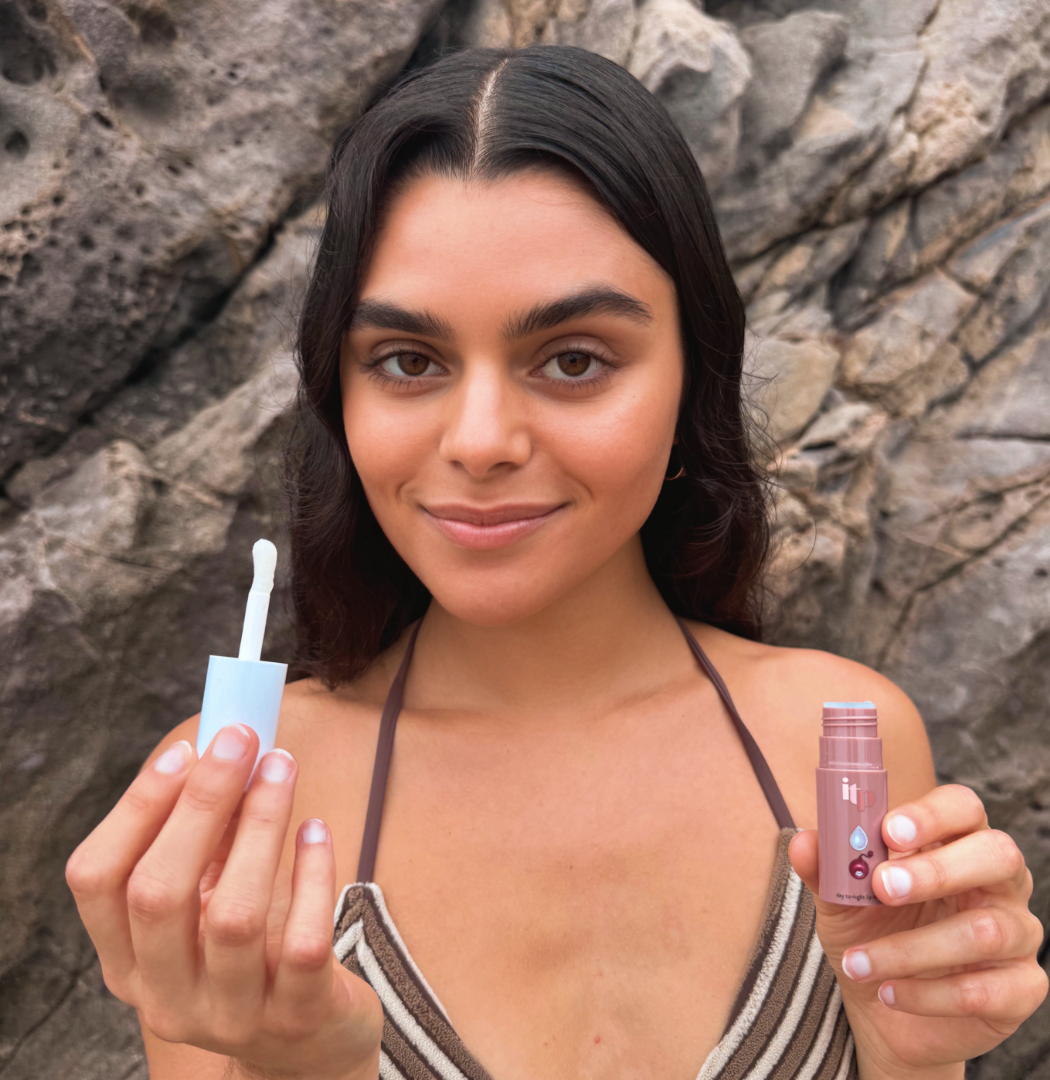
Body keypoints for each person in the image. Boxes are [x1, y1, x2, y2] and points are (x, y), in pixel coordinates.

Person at [66, 45, 1046, 1080]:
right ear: (336, 392)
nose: (481, 439)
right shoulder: (245, 792)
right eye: (408, 361)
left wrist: (917, 1058)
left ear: (692, 378)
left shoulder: (840, 740)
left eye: (573, 359)